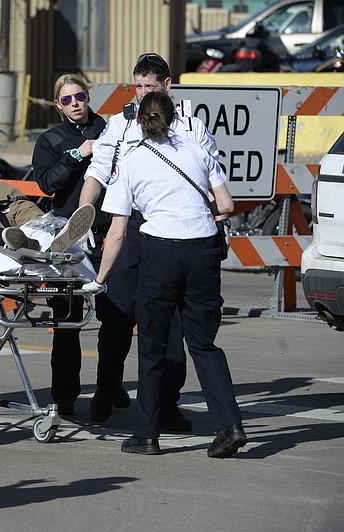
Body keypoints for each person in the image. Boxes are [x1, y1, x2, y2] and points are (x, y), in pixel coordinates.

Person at [85, 90, 246, 458]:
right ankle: (229, 426)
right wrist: (200, 217)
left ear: (139, 121)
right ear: (173, 118)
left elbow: (118, 232)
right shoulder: (196, 149)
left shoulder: (132, 160)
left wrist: (100, 279)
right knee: (204, 343)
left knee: (153, 344)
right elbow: (226, 204)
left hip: (161, 250)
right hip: (204, 249)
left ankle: (146, 434)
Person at [78, 52, 220, 429]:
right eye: (138, 86)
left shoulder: (191, 126)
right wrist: (82, 216)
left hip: (170, 230)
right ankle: (106, 391)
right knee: (117, 317)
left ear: (167, 86)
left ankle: (167, 407)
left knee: (170, 325)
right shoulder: (119, 124)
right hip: (129, 225)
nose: (142, 94)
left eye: (150, 87)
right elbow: (98, 170)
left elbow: (211, 177)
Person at [31, 74, 108, 416]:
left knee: (115, 316)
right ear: (58, 104)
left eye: (80, 96)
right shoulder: (50, 140)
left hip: (107, 231)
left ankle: (111, 386)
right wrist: (78, 154)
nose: (75, 103)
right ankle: (64, 394)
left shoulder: (109, 129)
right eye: (67, 100)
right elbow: (47, 184)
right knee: (66, 319)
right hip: (68, 235)